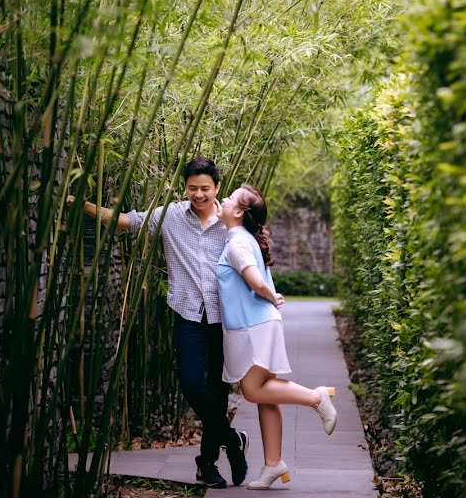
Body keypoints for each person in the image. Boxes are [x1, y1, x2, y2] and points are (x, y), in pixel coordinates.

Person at [79, 157, 248, 489]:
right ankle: (233, 439)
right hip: (187, 313)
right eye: (192, 188)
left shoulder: (231, 222)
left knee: (217, 388)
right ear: (184, 188)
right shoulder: (171, 215)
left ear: (217, 187)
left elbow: (253, 258)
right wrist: (79, 204)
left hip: (224, 316)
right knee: (191, 383)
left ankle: (207, 463)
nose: (198, 195)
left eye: (205, 188)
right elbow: (126, 220)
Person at [216, 184, 337, 490]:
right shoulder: (240, 238)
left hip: (253, 326)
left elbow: (252, 277)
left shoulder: (237, 243)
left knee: (253, 390)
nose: (224, 200)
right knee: (266, 393)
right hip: (256, 324)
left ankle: (315, 397)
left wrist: (270, 293)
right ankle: (273, 464)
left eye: (229, 198)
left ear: (240, 212)